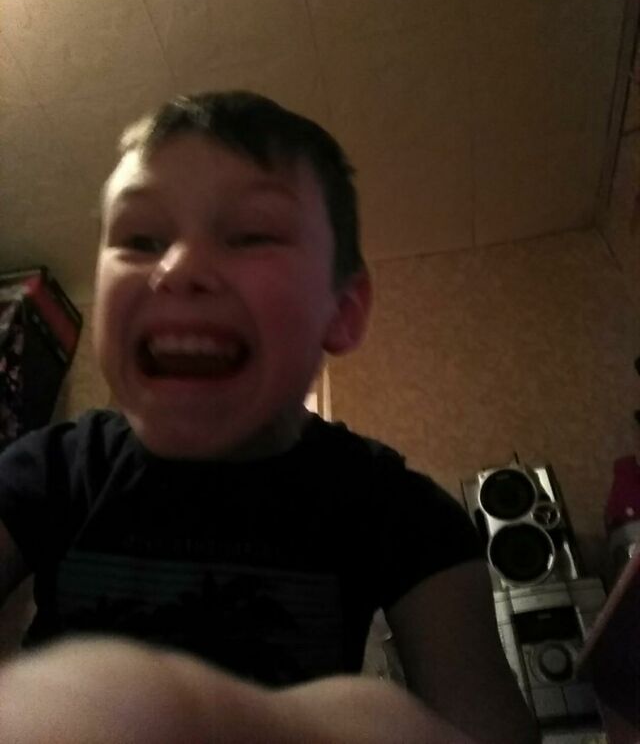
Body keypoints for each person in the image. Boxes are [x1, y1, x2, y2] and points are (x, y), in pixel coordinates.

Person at [0, 92, 539, 742]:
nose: (178, 268)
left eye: (252, 235)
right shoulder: (49, 469)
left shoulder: (401, 513)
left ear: (342, 310)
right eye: (141, 239)